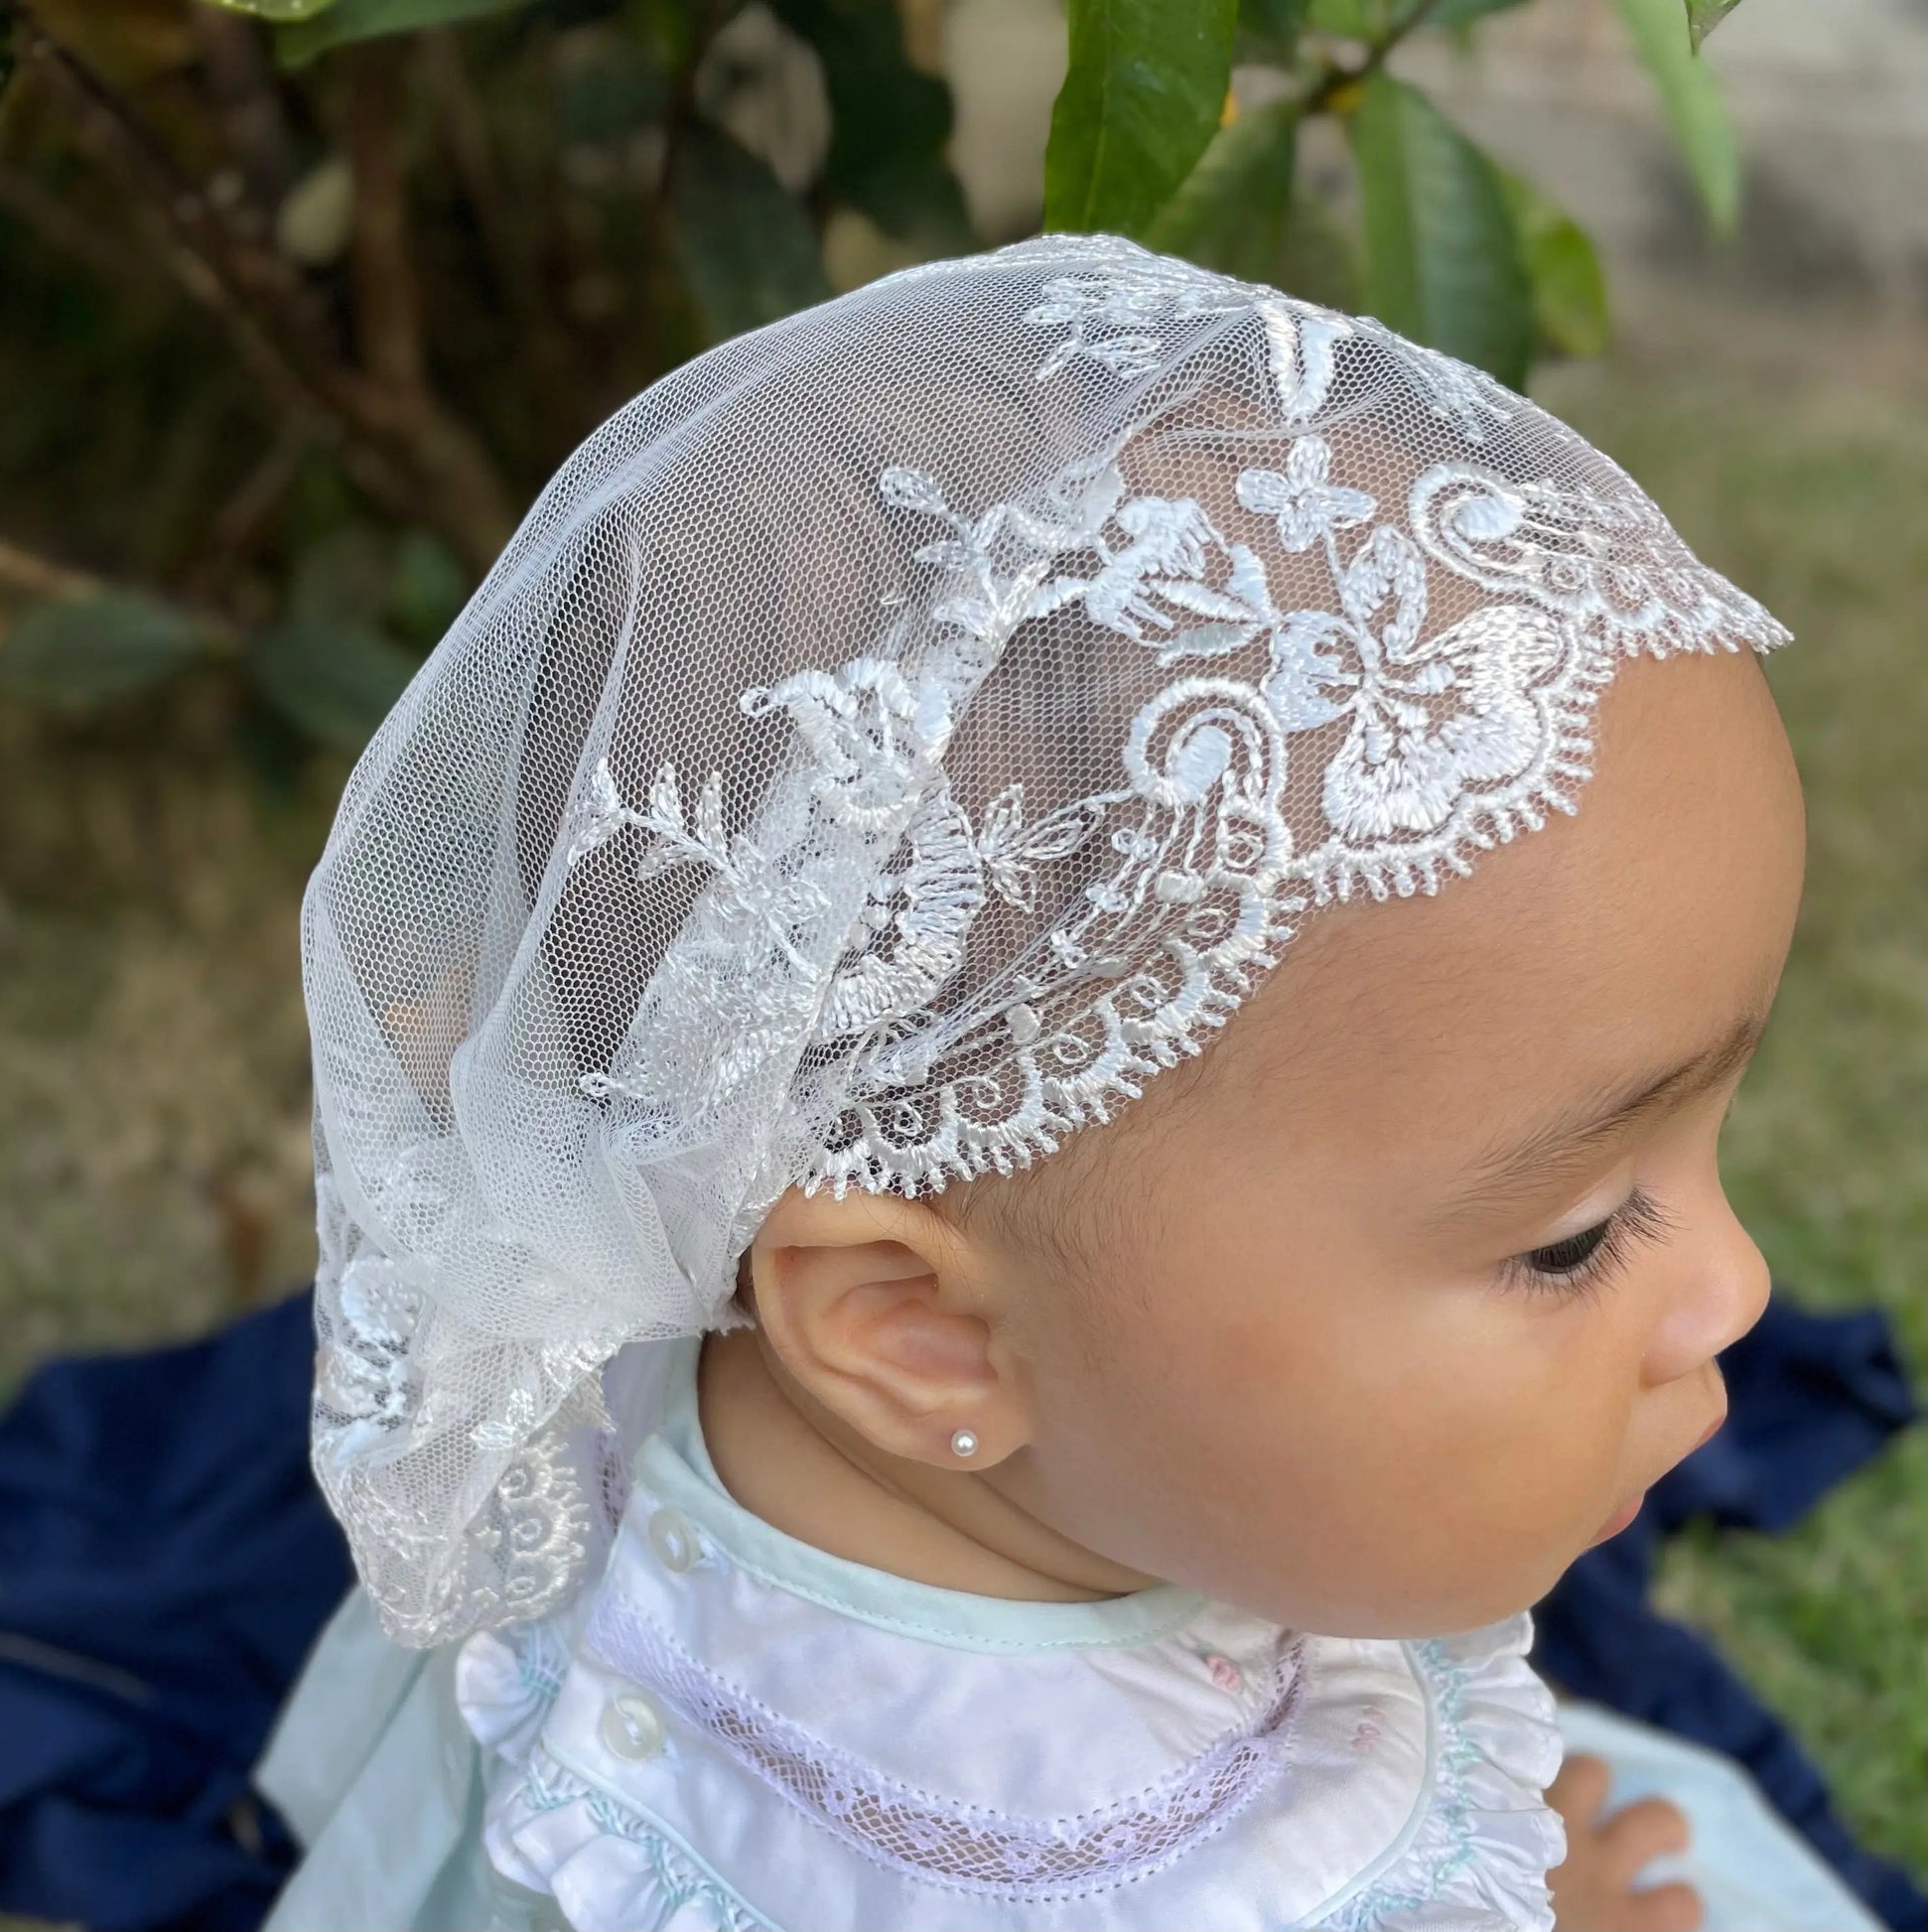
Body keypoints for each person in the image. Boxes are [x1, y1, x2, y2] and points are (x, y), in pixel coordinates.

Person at [258, 237, 1877, 1932]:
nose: (1736, 1286)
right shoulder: (1080, 1871)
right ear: (915, 1328)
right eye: (1569, 1237)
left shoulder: (690, 1272)